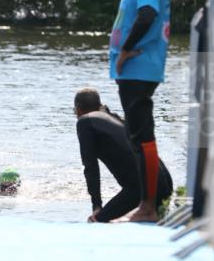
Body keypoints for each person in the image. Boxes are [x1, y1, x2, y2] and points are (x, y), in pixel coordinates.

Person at [108, 0, 170, 222]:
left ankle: (148, 206)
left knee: (142, 133)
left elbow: (148, 14)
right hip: (134, 69)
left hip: (139, 67)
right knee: (136, 134)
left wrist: (127, 50)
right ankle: (146, 205)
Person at [74, 88, 172, 222]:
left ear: (78, 110)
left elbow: (90, 166)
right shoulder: (113, 118)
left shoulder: (85, 122)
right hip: (164, 181)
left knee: (97, 222)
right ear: (99, 105)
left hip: (141, 187)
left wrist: (96, 206)